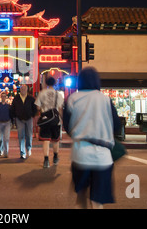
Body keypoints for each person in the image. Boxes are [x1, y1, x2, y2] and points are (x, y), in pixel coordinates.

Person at [63, 67, 121, 209]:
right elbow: (117, 125)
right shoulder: (105, 99)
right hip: (103, 156)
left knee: (81, 196)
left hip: (80, 153)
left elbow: (67, 126)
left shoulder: (72, 99)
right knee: (97, 201)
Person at [35, 77, 64, 168]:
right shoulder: (58, 94)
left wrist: (44, 108)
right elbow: (60, 108)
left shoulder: (42, 93)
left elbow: (38, 107)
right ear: (55, 83)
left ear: (46, 83)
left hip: (45, 119)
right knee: (55, 140)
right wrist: (62, 119)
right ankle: (55, 157)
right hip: (55, 120)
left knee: (46, 140)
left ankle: (46, 160)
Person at [10, 85, 37, 159]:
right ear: (20, 90)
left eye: (24, 89)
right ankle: (22, 152)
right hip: (19, 119)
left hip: (29, 119)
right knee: (21, 136)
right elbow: (13, 108)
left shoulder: (31, 98)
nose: (23, 90)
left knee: (29, 135)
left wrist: (32, 115)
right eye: (22, 89)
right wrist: (14, 117)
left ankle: (28, 148)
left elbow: (35, 108)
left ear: (27, 90)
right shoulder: (16, 99)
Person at [0, 92, 12, 157]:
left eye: (4, 96)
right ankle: (1, 150)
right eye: (2, 96)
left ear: (6, 97)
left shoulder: (8, 106)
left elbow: (11, 115)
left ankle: (6, 152)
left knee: (6, 138)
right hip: (0, 123)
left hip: (7, 123)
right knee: (0, 139)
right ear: (1, 97)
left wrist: (13, 122)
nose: (3, 97)